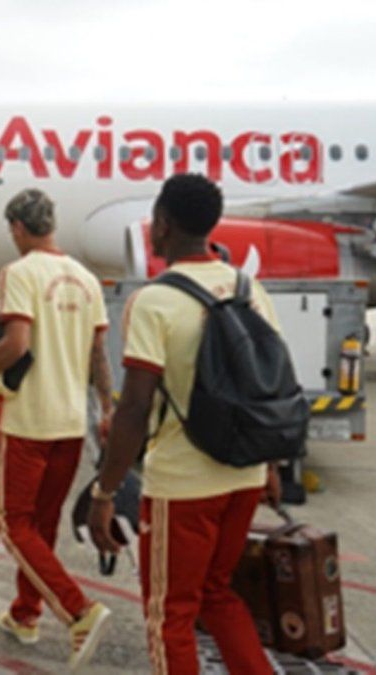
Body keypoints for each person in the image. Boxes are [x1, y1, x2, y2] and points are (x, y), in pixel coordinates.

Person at [90, 174, 281, 675]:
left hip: (183, 485)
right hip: (245, 475)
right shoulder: (250, 288)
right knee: (217, 595)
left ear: (165, 223)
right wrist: (273, 466)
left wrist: (105, 492)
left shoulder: (154, 301)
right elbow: (275, 387)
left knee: (169, 613)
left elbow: (134, 409)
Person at [0, 188, 113, 670]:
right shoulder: (86, 279)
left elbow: (15, 342)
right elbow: (99, 354)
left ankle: (80, 611)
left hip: (29, 421)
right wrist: (106, 405)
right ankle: (25, 613)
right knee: (43, 525)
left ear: (17, 227)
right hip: (71, 423)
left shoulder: (19, 273)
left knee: (13, 524)